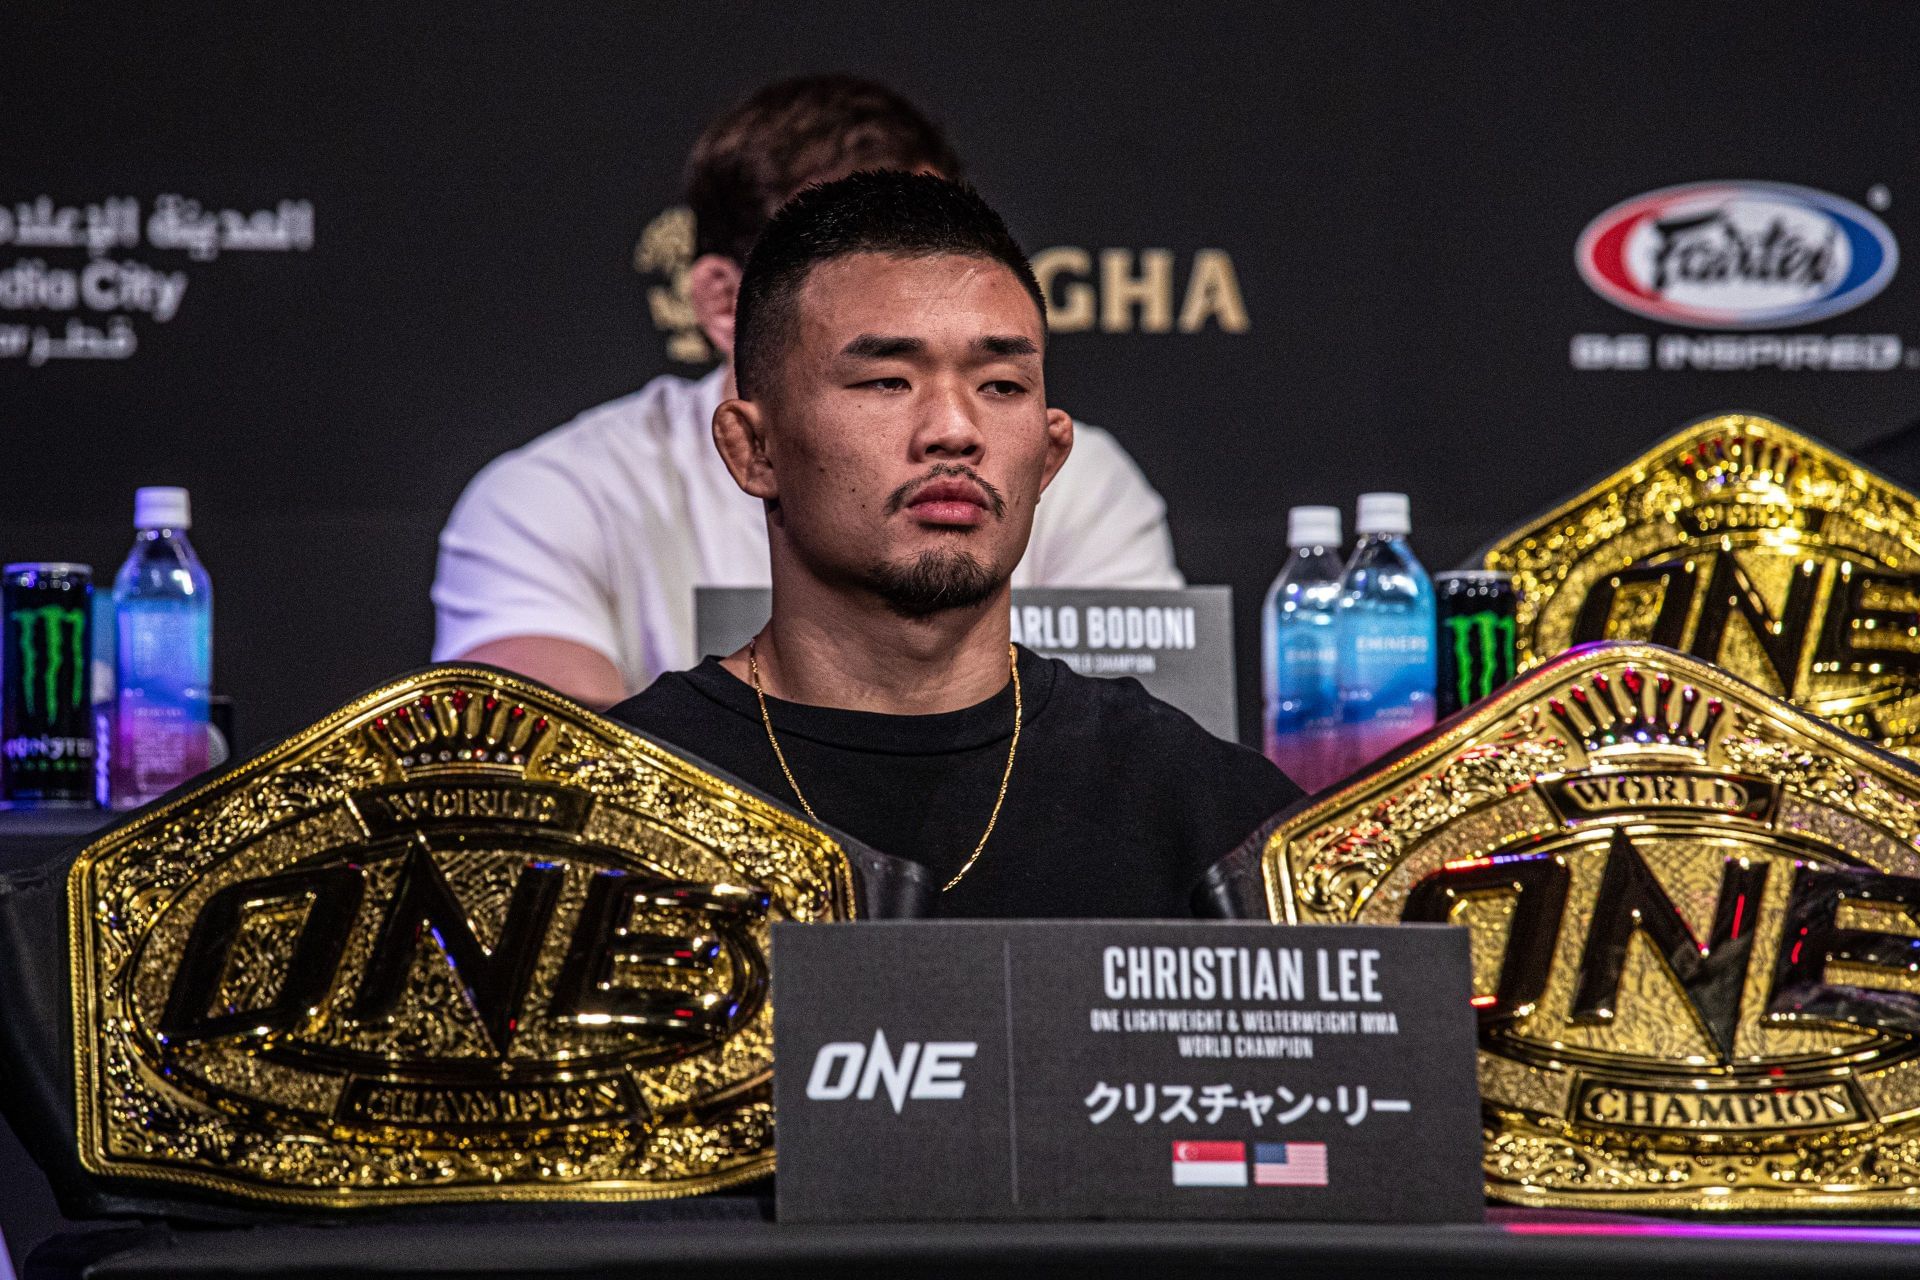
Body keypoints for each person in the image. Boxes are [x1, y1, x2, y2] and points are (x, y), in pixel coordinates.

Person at [609, 172, 1299, 918]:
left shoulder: (1219, 824)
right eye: (886, 381)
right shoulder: (606, 806)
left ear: (1049, 456)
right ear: (754, 450)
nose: (955, 430)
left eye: (1001, 385)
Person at [433, 75, 1182, 709]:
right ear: (724, 303)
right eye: (845, 245)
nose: (953, 429)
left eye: (938, 232)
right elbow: (556, 786)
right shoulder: (551, 496)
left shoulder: (1077, 475)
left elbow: (1130, 757)